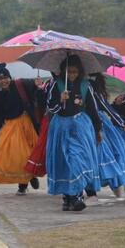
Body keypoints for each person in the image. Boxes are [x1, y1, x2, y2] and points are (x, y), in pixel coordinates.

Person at [46, 55, 102, 211]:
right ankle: (68, 197)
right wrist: (60, 100)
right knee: (64, 161)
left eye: (75, 72)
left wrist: (98, 129)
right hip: (60, 127)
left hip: (80, 128)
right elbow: (50, 108)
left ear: (80, 72)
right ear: (63, 70)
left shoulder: (86, 86)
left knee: (76, 158)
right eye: (69, 71)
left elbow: (92, 109)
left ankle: (77, 196)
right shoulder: (55, 85)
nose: (71, 74)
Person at [0, 63, 40, 195]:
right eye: (0, 79)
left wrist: (38, 85)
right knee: (19, 156)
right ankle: (24, 184)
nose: (4, 81)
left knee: (32, 154)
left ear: (10, 77)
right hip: (11, 127)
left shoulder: (21, 85)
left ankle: (30, 175)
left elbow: (36, 90)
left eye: (6, 77)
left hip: (28, 125)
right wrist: (3, 128)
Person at [86, 73, 125, 201]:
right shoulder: (70, 85)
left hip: (98, 123)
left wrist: (122, 123)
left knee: (107, 153)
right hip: (81, 123)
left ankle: (113, 190)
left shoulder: (90, 86)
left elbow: (105, 106)